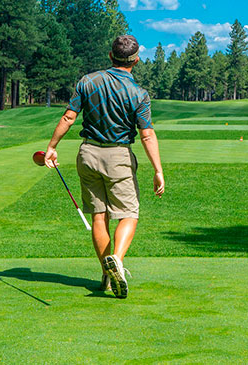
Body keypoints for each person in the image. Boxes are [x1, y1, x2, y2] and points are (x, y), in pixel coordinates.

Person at [44, 35, 165, 299]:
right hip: (118, 156)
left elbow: (69, 117)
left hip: (87, 153)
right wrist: (158, 170)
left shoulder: (87, 81)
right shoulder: (139, 94)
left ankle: (107, 275)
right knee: (128, 214)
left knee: (99, 216)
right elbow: (146, 135)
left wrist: (52, 146)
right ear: (136, 60)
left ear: (111, 56)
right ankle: (117, 262)